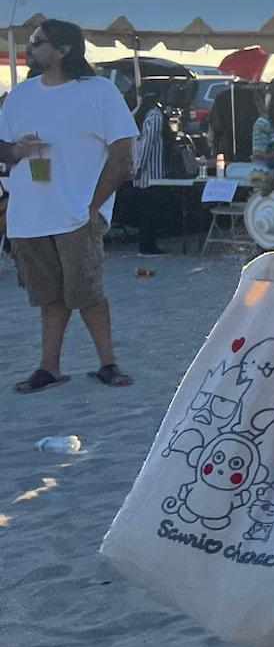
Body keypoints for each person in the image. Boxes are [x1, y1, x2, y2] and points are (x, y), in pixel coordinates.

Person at [0, 19, 137, 392]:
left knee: (88, 293)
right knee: (50, 297)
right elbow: (3, 150)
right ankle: (49, 368)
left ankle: (108, 363)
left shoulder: (99, 92)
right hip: (30, 215)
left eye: (37, 42)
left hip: (76, 213)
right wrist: (16, 150)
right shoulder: (20, 95)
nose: (30, 47)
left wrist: (93, 206)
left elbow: (122, 155)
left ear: (64, 50)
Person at [129, 86, 170, 256]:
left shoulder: (137, 115)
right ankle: (148, 246)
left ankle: (146, 244)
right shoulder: (155, 116)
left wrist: (135, 165)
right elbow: (148, 143)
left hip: (140, 171)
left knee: (145, 211)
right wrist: (139, 167)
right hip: (151, 172)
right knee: (150, 211)